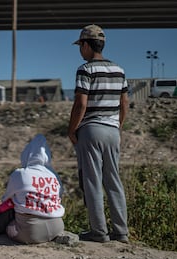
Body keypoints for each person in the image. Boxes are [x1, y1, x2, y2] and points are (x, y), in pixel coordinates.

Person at [68, 24, 129, 243]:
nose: (79, 50)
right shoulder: (119, 70)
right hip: (113, 131)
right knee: (113, 180)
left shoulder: (85, 69)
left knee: (92, 180)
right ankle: (121, 232)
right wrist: (117, 126)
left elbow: (80, 105)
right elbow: (124, 105)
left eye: (80, 45)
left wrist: (72, 129)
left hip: (91, 130)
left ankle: (99, 232)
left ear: (86, 44)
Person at [0, 134, 65, 244]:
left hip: (31, 231)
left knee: (9, 224)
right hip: (57, 227)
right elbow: (59, 196)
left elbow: (6, 199)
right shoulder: (54, 175)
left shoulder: (20, 173)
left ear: (26, 154)